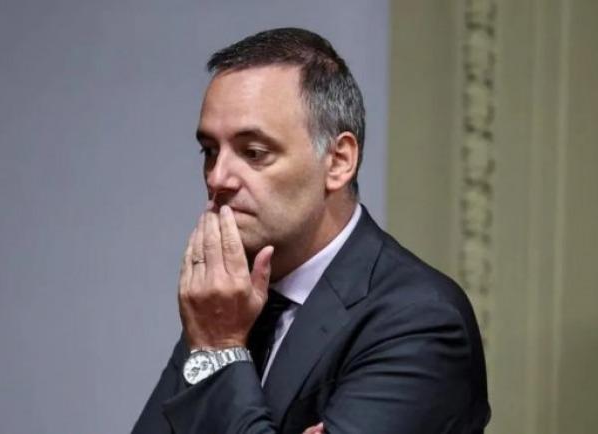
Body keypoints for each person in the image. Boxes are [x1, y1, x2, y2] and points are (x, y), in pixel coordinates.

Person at [131, 27, 490, 434]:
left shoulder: (419, 319)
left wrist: (220, 350)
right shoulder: (225, 303)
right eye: (210, 151)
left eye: (253, 152)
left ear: (338, 161)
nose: (217, 177)